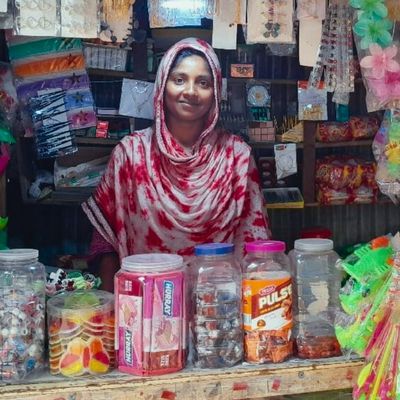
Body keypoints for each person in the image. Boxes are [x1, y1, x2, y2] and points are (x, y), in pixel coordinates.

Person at [82, 38, 270, 292]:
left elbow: (253, 243)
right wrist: (113, 308)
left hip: (217, 307)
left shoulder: (237, 156)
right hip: (145, 305)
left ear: (216, 91)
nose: (190, 91)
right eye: (179, 80)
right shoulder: (131, 154)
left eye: (203, 83)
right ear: (162, 86)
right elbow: (106, 241)